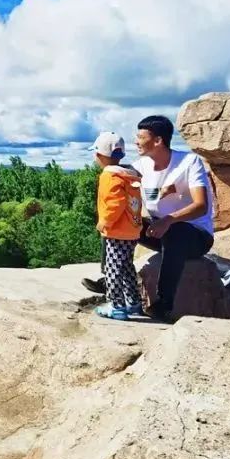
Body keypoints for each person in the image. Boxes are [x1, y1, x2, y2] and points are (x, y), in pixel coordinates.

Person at [83, 115, 215, 321]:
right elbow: (128, 186)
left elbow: (200, 206)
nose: (136, 141)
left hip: (194, 235)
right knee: (118, 224)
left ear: (158, 140)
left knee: (177, 232)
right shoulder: (142, 165)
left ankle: (164, 303)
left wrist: (168, 220)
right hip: (160, 229)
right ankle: (109, 279)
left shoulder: (189, 162)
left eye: (140, 137)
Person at [89, 133, 145, 320]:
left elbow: (115, 203)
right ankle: (133, 302)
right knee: (126, 266)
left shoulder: (110, 176)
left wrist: (104, 222)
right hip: (132, 229)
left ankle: (116, 306)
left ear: (100, 155)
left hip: (117, 230)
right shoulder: (128, 175)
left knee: (112, 268)